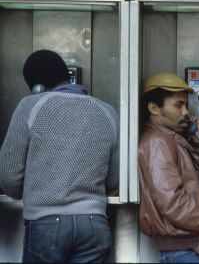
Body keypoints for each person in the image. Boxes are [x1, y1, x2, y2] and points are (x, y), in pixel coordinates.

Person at [0, 50, 119, 263]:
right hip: (95, 223)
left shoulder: (31, 106)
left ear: (36, 86)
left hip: (45, 222)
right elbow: (114, 178)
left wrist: (30, 191)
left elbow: (8, 176)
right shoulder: (108, 112)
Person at [138, 72, 199, 263]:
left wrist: (196, 140)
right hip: (190, 249)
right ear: (154, 108)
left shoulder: (171, 140)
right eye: (178, 105)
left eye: (185, 105)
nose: (185, 112)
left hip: (193, 246)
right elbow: (173, 203)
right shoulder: (157, 143)